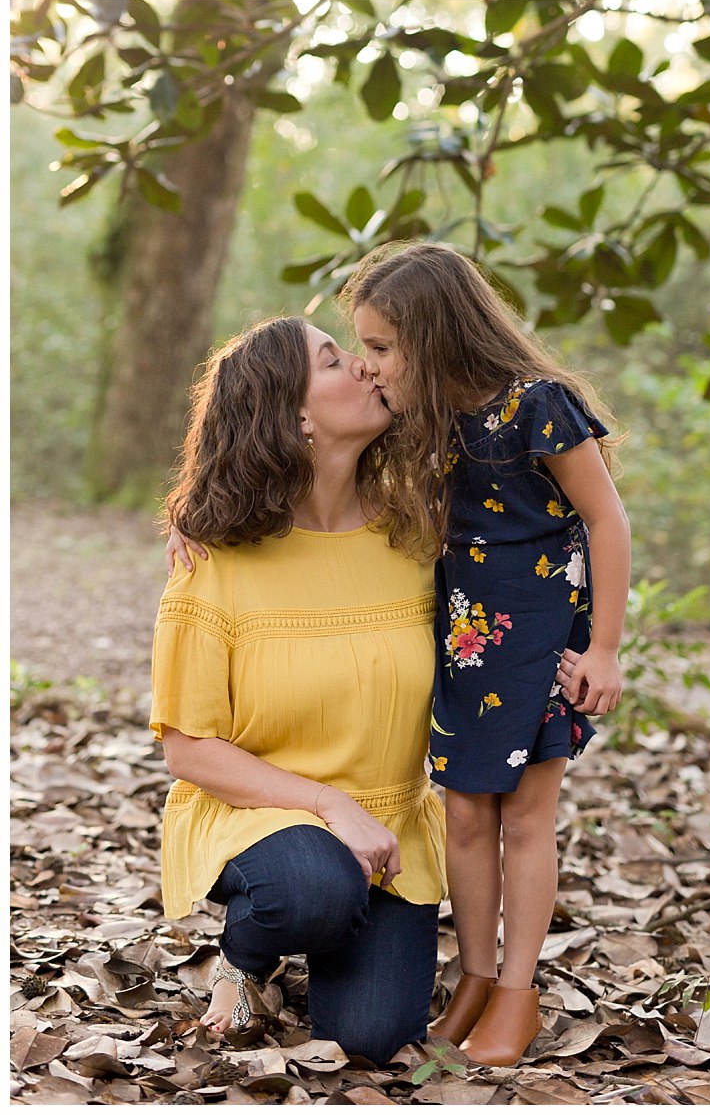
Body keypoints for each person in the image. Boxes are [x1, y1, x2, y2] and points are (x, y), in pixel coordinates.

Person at [153, 317, 445, 1063]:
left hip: (389, 835)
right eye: (335, 360)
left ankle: (312, 937)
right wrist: (328, 805)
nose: (367, 368)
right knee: (313, 894)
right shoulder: (215, 562)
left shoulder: (420, 532)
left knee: (372, 1042)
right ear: (296, 416)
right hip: (263, 820)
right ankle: (247, 961)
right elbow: (188, 749)